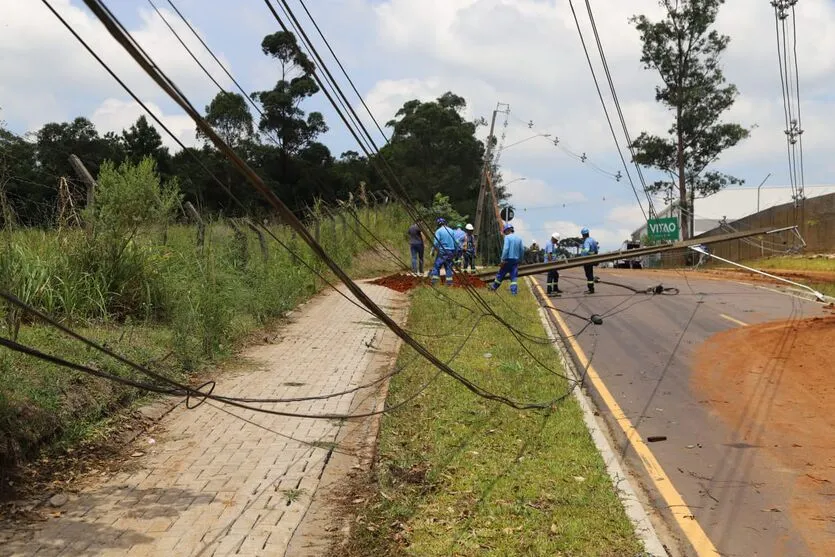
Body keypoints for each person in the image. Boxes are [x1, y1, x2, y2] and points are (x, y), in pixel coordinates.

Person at [489, 222, 525, 295]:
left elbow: (506, 249)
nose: (505, 233)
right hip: (515, 261)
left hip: (507, 260)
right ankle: (514, 292)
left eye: (505, 231)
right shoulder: (519, 238)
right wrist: (520, 259)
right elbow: (522, 250)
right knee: (514, 277)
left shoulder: (507, 237)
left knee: (501, 274)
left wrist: (502, 259)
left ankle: (493, 287)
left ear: (507, 230)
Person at [430, 217, 456, 285]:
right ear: (445, 223)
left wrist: (432, 251)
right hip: (451, 251)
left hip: (442, 251)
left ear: (438, 224)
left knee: (437, 266)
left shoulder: (438, 231)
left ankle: (434, 282)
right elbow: (455, 242)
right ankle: (449, 283)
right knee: (448, 267)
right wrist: (455, 252)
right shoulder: (451, 230)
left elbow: (436, 242)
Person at [580, 226, 599, 294]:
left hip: (587, 260)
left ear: (583, 235)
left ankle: (590, 289)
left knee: (588, 275)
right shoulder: (593, 240)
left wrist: (582, 251)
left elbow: (586, 250)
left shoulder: (586, 241)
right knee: (590, 273)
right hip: (592, 260)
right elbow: (596, 250)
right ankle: (591, 288)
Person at [544, 231, 562, 296]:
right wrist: (551, 263)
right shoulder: (549, 244)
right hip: (550, 263)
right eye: (556, 240)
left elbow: (553, 253)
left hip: (552, 263)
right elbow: (549, 254)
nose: (556, 241)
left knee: (555, 275)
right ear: (554, 239)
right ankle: (549, 290)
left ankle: (555, 288)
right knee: (550, 276)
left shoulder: (552, 244)